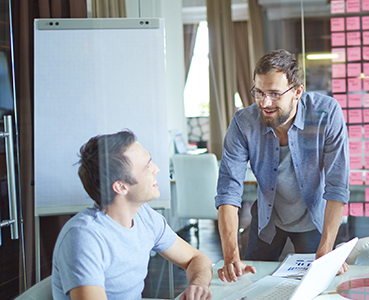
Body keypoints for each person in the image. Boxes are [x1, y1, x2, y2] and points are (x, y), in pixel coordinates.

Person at [215, 49, 350, 282]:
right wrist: (231, 256)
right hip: (268, 219)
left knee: (315, 286)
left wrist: (327, 249)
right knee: (251, 282)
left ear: (297, 92)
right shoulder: (243, 123)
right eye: (259, 92)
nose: (265, 103)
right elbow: (228, 190)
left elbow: (337, 185)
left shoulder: (325, 114)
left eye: (275, 94)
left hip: (312, 218)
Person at [52, 130, 213, 300]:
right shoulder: (84, 237)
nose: (156, 169)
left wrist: (198, 286)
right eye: (147, 166)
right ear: (121, 187)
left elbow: (196, 258)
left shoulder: (144, 216)